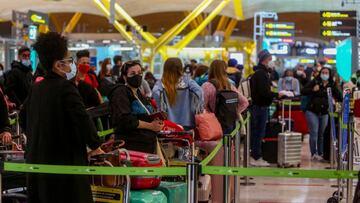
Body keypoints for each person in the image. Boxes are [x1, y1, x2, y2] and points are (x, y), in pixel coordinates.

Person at [20, 32, 103, 203]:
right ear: (59, 65)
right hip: (65, 168)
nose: (72, 64)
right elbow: (82, 119)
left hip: (38, 165)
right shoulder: (67, 88)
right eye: (69, 60)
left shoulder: (36, 88)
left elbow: (22, 117)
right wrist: (95, 145)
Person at [109, 60, 163, 153]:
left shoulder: (138, 92)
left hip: (147, 141)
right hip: (131, 143)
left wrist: (157, 122)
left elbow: (147, 113)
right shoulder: (120, 92)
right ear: (125, 77)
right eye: (133, 73)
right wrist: (150, 126)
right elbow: (125, 120)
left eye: (139, 73)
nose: (137, 76)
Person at [301, 67, 342, 161]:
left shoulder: (331, 85)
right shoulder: (315, 82)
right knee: (314, 133)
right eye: (323, 72)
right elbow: (303, 91)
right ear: (320, 74)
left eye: (326, 73)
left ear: (329, 74)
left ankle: (321, 153)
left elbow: (339, 96)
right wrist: (313, 90)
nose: (324, 74)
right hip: (312, 111)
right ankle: (314, 153)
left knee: (322, 134)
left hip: (325, 112)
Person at [152, 58, 203, 130]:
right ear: (180, 68)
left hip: (168, 124)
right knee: (187, 140)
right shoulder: (188, 82)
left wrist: (161, 108)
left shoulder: (161, 84)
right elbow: (199, 91)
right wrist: (197, 109)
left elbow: (155, 93)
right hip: (187, 121)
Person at [202, 60, 249, 130]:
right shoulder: (229, 85)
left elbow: (202, 106)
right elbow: (245, 102)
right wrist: (233, 113)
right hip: (227, 123)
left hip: (211, 124)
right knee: (228, 140)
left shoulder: (207, 86)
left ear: (211, 70)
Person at [250, 49, 276, 167]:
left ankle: (256, 155)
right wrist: (275, 94)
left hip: (260, 106)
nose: (272, 62)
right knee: (258, 133)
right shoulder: (261, 74)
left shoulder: (263, 73)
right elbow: (262, 92)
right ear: (264, 60)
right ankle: (256, 156)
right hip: (259, 107)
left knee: (259, 132)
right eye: (270, 59)